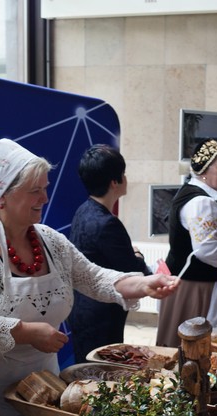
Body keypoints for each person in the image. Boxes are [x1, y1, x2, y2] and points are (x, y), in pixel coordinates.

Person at [0, 139, 179, 416]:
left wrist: (143, 284)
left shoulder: (50, 240)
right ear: (1, 197)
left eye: (45, 188)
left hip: (39, 392)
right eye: (35, 191)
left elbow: (93, 277)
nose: (44, 198)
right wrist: (26, 332)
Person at [68, 144, 151, 363]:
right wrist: (139, 256)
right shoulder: (107, 223)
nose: (126, 178)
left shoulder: (83, 210)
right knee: (102, 376)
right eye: (123, 174)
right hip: (101, 314)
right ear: (114, 182)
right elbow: (132, 270)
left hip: (81, 308)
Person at [156, 139, 217, 347]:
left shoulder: (194, 193)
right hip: (195, 285)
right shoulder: (202, 203)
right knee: (191, 345)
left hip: (192, 281)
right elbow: (208, 250)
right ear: (205, 171)